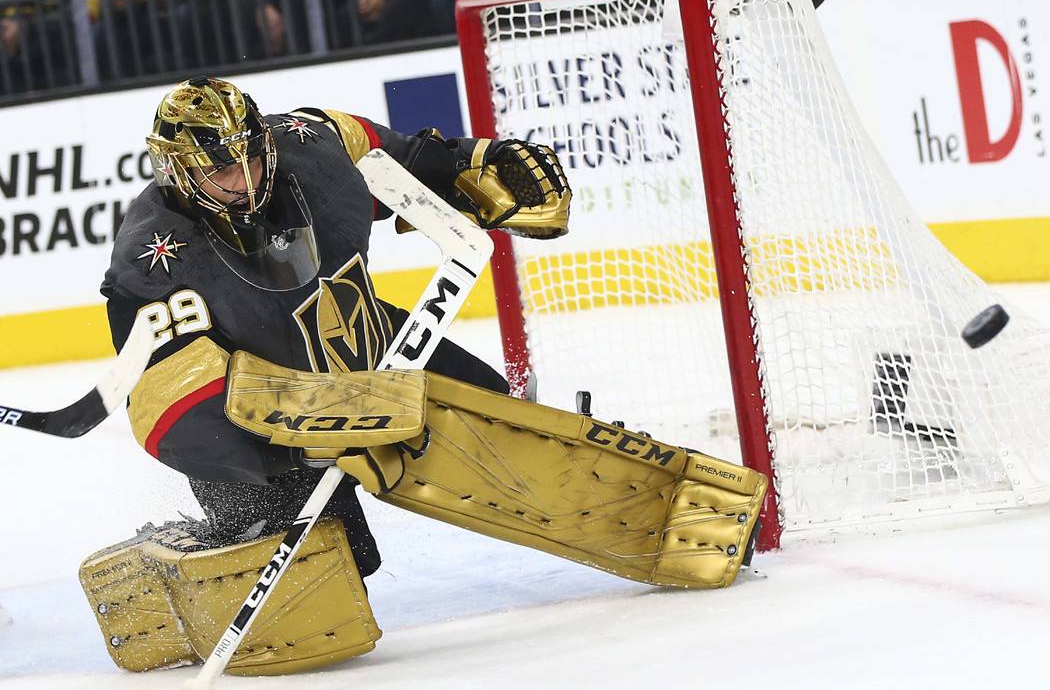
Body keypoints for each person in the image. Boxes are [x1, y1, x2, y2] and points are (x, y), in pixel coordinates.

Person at [82, 76, 762, 676]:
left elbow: (404, 158)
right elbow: (172, 409)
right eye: (222, 172)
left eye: (252, 157)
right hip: (263, 436)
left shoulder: (309, 142)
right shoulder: (149, 262)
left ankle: (681, 523)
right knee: (327, 579)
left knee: (503, 421)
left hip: (373, 348)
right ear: (177, 171)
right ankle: (169, 559)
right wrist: (309, 432)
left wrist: (477, 164)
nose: (246, 179)